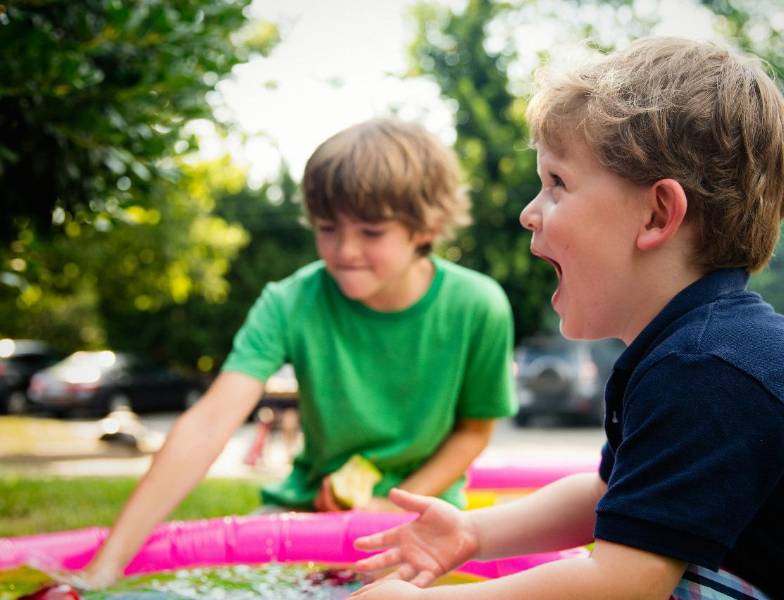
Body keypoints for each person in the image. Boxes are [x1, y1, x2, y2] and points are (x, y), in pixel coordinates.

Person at [347, 38, 784, 600]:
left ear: (657, 213)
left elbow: (621, 584)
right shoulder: (690, 350)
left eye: (557, 183)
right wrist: (472, 531)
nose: (528, 212)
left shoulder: (710, 368)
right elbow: (608, 494)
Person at [76, 118, 516, 587]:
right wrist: (106, 566)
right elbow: (209, 423)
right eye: (328, 228)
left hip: (425, 516)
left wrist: (392, 503)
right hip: (306, 509)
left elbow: (473, 431)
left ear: (426, 226)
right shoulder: (288, 302)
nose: (345, 250)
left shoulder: (478, 305)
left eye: (371, 231)